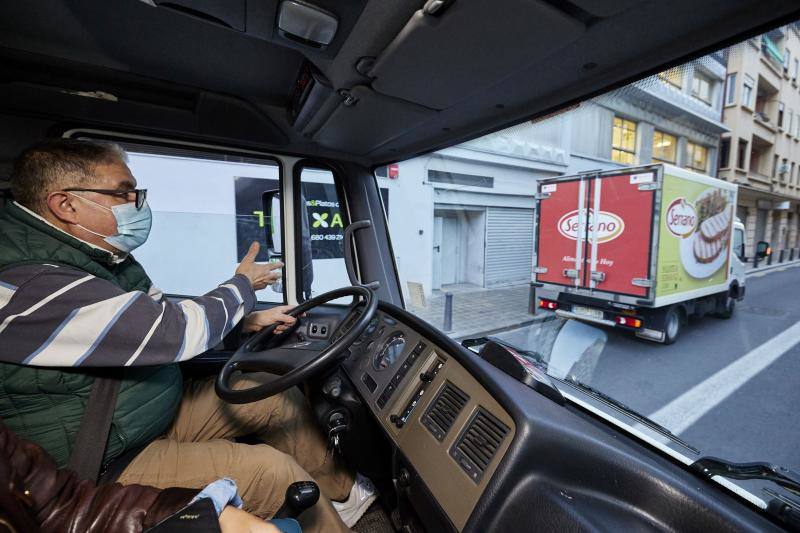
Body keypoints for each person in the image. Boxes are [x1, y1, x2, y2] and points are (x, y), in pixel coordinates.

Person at [0, 139, 372, 532]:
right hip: (97, 458)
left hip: (139, 414)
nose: (138, 203)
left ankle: (346, 498)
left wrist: (242, 323)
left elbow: (153, 320)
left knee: (269, 393)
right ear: (66, 205)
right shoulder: (27, 284)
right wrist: (242, 285)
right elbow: (174, 331)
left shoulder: (101, 259)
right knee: (272, 471)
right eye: (123, 192)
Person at [0, 418, 291, 532]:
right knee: (272, 470)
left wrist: (204, 513)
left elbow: (60, 506)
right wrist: (243, 284)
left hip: (138, 425)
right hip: (109, 452)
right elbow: (159, 328)